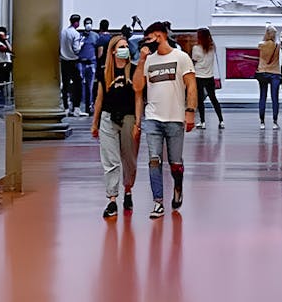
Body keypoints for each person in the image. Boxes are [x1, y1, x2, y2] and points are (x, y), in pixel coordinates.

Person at [133, 21, 197, 219]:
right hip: (153, 118)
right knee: (154, 160)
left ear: (159, 36)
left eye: (149, 38)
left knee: (175, 162)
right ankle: (158, 201)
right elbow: (137, 87)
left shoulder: (181, 57)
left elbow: (191, 85)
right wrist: (142, 61)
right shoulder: (148, 60)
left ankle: (178, 186)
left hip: (175, 117)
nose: (146, 42)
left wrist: (190, 111)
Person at [91, 35, 139, 219]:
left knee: (129, 159)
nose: (124, 49)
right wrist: (95, 123)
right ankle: (112, 199)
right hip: (108, 117)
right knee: (110, 160)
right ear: (113, 51)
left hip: (128, 118)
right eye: (121, 46)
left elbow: (138, 98)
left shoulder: (134, 70)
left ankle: (128, 190)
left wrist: (138, 122)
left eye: (126, 46)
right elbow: (99, 98)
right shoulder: (104, 72)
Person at [191, 27, 224, 130]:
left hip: (198, 76)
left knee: (200, 100)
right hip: (210, 76)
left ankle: (203, 121)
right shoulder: (212, 47)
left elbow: (194, 61)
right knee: (213, 99)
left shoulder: (196, 48)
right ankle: (221, 120)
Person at [256, 25, 281, 130]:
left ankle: (262, 122)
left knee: (263, 96)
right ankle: (275, 122)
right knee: (275, 98)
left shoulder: (261, 45)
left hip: (263, 72)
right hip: (275, 72)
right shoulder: (278, 45)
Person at [60, 14, 83, 117]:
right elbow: (76, 49)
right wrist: (81, 44)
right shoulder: (76, 34)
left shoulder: (62, 32)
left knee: (65, 85)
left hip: (63, 61)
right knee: (78, 85)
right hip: (73, 61)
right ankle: (76, 108)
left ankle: (65, 108)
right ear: (77, 22)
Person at [78, 17, 99, 115]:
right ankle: (82, 107)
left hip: (92, 63)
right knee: (81, 86)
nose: (88, 25)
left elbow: (98, 50)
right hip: (81, 63)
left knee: (90, 87)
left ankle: (89, 107)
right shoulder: (80, 36)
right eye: (87, 23)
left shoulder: (95, 36)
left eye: (90, 23)